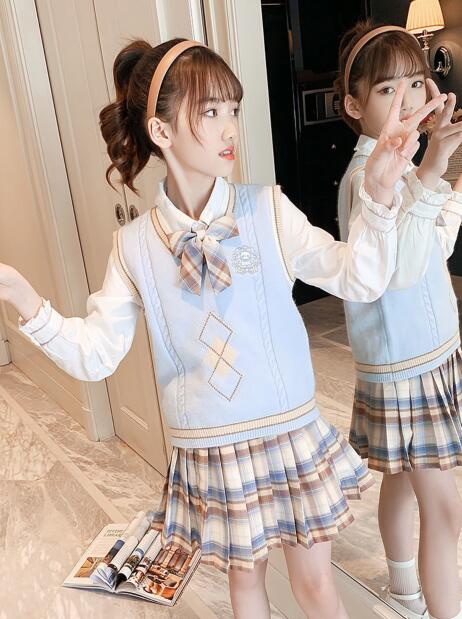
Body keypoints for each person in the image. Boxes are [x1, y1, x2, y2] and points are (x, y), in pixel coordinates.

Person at [0, 38, 444, 618]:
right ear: (161, 131)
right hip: (213, 451)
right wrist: (21, 295)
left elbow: (358, 277)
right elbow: (96, 355)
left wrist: (381, 191)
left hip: (288, 434)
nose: (230, 127)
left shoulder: (268, 209)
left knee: (315, 586)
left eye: (233, 108)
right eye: (210, 112)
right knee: (246, 586)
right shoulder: (134, 247)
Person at [336, 20, 462, 619]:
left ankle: (407, 592)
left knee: (405, 482)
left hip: (427, 352)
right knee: (446, 509)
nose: (408, 100)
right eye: (387, 90)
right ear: (353, 105)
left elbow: (435, 247)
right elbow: (403, 270)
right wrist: (433, 172)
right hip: (404, 363)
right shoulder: (366, 179)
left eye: (415, 82)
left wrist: (443, 174)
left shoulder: (404, 161)